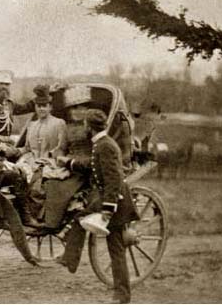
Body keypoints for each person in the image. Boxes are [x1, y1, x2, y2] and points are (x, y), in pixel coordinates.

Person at [56, 109, 139, 304]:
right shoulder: (101, 143)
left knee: (116, 250)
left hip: (116, 202)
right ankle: (70, 259)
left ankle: (122, 295)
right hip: (106, 198)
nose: (83, 127)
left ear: (89, 127)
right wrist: (70, 163)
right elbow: (92, 165)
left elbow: (114, 179)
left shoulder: (106, 146)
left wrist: (108, 211)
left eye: (85, 124)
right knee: (80, 218)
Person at [0, 85, 68, 227]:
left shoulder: (59, 123)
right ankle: (15, 212)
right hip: (29, 160)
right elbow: (26, 148)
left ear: (50, 107)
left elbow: (61, 148)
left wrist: (45, 159)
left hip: (50, 162)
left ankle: (33, 216)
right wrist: (12, 151)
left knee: (35, 182)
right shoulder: (32, 125)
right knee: (11, 174)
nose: (41, 109)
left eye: (44, 106)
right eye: (38, 106)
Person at [0, 70, 36, 136]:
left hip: (6, 144)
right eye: (1, 83)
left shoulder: (9, 104)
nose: (4, 87)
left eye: (7, 84)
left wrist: (46, 95)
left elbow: (27, 107)